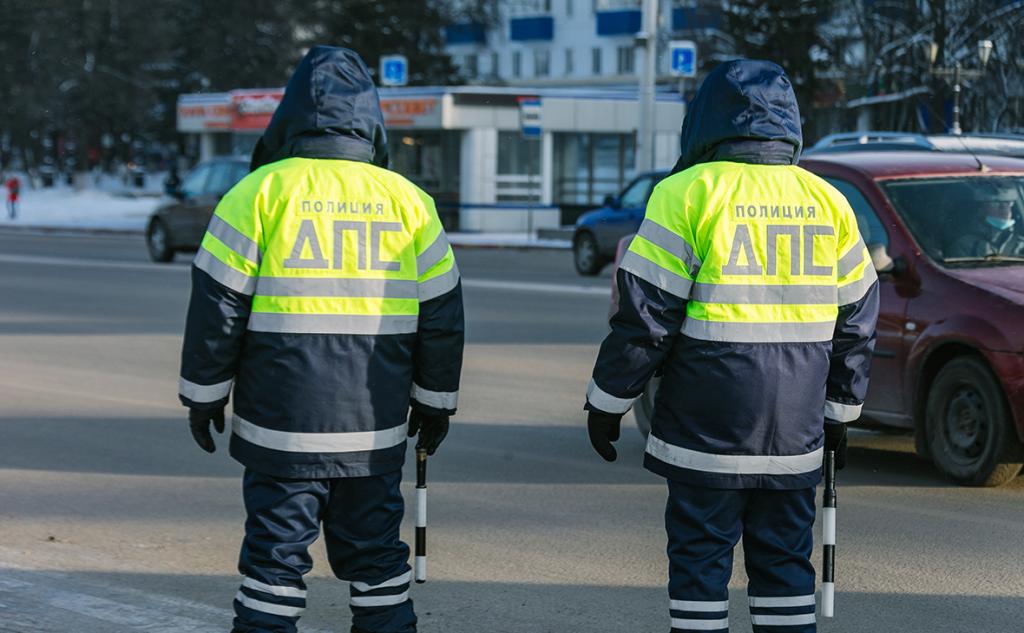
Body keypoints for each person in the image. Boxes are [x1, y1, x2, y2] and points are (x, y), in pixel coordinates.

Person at [584, 60, 879, 633]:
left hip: (705, 430)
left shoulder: (684, 194)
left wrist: (607, 401)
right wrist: (841, 412)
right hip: (794, 432)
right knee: (786, 569)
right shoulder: (828, 201)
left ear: (706, 121)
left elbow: (645, 318)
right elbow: (859, 317)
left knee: (699, 567)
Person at [178, 46, 464, 633]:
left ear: (287, 116)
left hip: (279, 427)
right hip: (373, 427)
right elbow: (441, 315)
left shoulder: (255, 194)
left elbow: (217, 307)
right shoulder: (410, 203)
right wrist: (436, 403)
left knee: (273, 566)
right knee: (379, 564)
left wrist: (204, 393)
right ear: (372, 118)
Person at [948, 185, 1024, 257]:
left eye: (1008, 202)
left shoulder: (1020, 242)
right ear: (980, 210)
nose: (1004, 207)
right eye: (995, 202)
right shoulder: (964, 245)